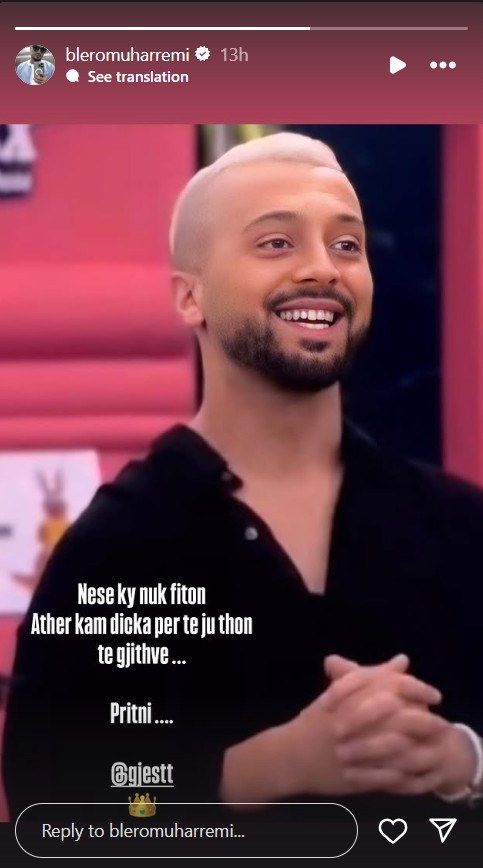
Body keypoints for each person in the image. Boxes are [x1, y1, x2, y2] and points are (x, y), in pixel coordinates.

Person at [3, 132, 483, 825]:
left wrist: (462, 760)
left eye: (346, 245)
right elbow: (52, 804)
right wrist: (274, 767)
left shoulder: (459, 527)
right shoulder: (117, 547)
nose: (323, 269)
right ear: (189, 298)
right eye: (276, 243)